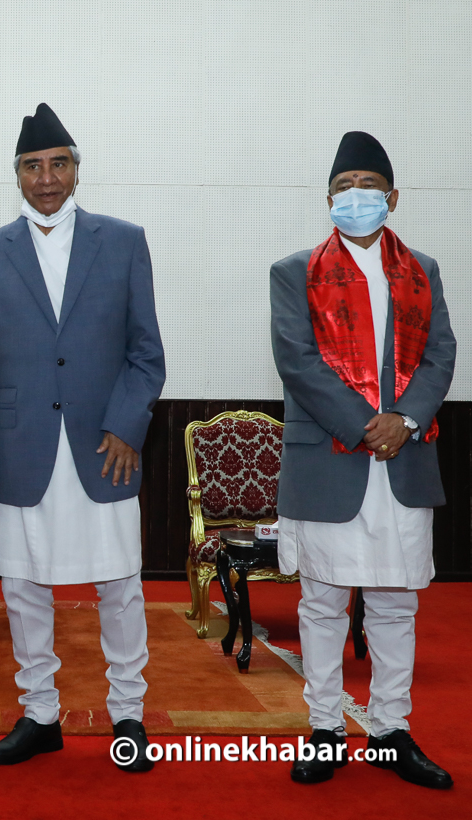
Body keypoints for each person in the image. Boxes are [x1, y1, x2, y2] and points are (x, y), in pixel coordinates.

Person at [0, 104, 165, 770]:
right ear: (16, 174)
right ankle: (39, 713)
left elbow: (145, 352)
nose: (45, 178)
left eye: (58, 163)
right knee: (21, 587)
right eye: (31, 166)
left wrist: (127, 424)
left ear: (77, 169)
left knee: (120, 586)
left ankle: (128, 714)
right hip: (21, 448)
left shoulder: (124, 240)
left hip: (104, 445)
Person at [271, 132, 455, 789]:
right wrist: (364, 425)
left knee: (395, 603)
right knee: (322, 602)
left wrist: (403, 421)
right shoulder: (294, 271)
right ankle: (324, 729)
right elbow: (297, 360)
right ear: (328, 199)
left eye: (368, 185)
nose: (356, 196)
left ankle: (390, 731)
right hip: (330, 458)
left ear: (393, 197)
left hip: (402, 459)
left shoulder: (423, 271)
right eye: (344, 186)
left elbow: (440, 356)